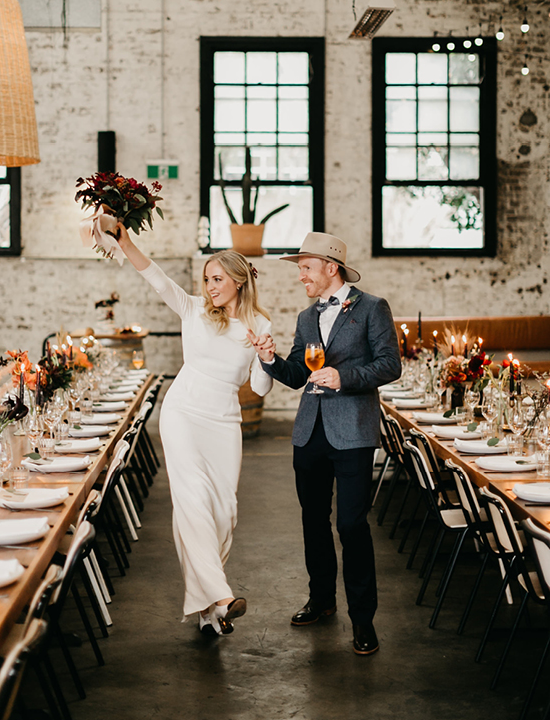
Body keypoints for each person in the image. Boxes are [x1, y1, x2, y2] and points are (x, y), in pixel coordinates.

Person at [117, 223, 273, 636]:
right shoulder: (193, 310)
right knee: (192, 503)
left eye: (217, 279)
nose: (210, 287)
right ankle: (221, 597)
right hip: (183, 413)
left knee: (223, 512)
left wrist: (267, 358)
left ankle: (206, 612)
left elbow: (259, 388)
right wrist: (127, 243)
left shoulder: (260, 325)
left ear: (239, 280)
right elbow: (156, 278)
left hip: (224, 422)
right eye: (207, 279)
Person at [249, 232, 401, 656]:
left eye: (306, 268)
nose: (301, 276)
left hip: (353, 432)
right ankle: (321, 599)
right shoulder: (305, 316)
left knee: (351, 526)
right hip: (309, 432)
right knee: (313, 519)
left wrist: (343, 377)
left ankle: (363, 619)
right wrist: (270, 359)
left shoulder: (372, 308)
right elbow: (299, 374)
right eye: (300, 269)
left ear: (331, 268)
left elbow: (390, 365)